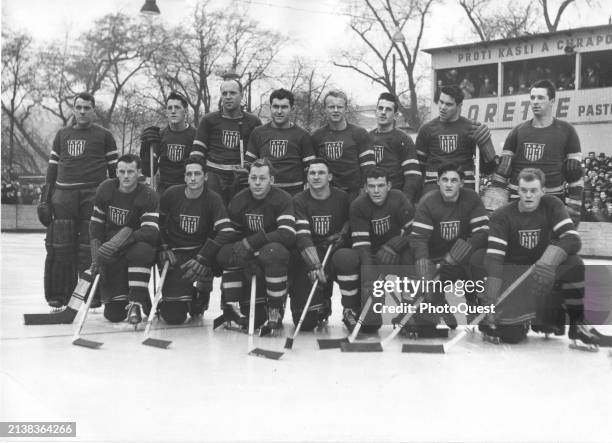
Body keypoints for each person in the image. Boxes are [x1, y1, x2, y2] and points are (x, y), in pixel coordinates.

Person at [473, 168, 598, 348]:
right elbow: (494, 257)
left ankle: (577, 324)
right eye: (524, 190)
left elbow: (572, 239)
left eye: (533, 191)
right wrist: (491, 292)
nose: (528, 195)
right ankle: (497, 320)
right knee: (511, 336)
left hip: (542, 273)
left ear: (542, 191)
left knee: (574, 263)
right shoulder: (502, 215)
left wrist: (549, 259)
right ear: (517, 191)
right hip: (513, 276)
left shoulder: (553, 205)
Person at [37, 92, 118, 309]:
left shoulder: (104, 136)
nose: (82, 111)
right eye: (79, 107)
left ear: (94, 110)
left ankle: (92, 293)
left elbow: (115, 172)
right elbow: (52, 169)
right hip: (63, 196)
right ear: (74, 109)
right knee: (60, 246)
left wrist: (117, 198)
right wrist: (45, 198)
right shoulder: (62, 135)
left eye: (87, 107)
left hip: (93, 194)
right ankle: (60, 295)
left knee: (89, 246)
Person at [406, 163, 489, 335]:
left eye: (453, 180)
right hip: (438, 263)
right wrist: (423, 263)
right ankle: (439, 305)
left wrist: (458, 253)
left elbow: (481, 232)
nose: (449, 184)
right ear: (438, 181)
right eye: (444, 180)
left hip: (464, 261)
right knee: (426, 323)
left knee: (480, 259)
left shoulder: (472, 198)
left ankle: (475, 303)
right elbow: (419, 238)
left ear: (461, 183)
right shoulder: (428, 202)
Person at [486, 79, 583, 224]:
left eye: (540, 97)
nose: (535, 102)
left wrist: (574, 210)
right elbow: (502, 172)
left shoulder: (567, 131)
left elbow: (574, 174)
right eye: (532, 97)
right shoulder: (517, 131)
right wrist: (491, 209)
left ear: (552, 101)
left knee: (573, 167)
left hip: (551, 199)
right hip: (519, 198)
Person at [216, 158, 295, 333]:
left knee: (274, 251)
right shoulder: (239, 199)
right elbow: (231, 235)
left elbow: (287, 234)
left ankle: (275, 308)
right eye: (253, 178)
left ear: (272, 180)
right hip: (247, 256)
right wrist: (246, 257)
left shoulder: (283, 199)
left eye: (262, 178)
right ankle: (231, 305)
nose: (257, 183)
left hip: (271, 256)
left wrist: (253, 242)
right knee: (226, 252)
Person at [332, 167, 414, 332]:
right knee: (370, 326)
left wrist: (395, 244)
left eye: (381, 185)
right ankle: (351, 309)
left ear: (389, 185)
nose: (376, 190)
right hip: (369, 257)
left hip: (393, 254)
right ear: (365, 188)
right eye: (372, 186)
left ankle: (408, 311)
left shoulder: (399, 198)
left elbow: (415, 232)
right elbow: (362, 246)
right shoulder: (358, 205)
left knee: (411, 255)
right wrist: (370, 281)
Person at [157, 157, 234, 324]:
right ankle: (189, 297)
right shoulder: (171, 194)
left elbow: (226, 232)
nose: (193, 178)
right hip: (176, 254)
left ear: (205, 177)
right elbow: (159, 225)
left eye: (197, 174)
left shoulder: (213, 198)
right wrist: (164, 246)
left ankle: (203, 290)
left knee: (224, 253)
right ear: (184, 177)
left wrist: (204, 257)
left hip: (199, 253)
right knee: (173, 317)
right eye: (189, 174)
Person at [89, 154, 159, 325]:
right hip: (111, 250)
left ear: (139, 173)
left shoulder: (148, 195)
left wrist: (125, 237)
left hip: (134, 246)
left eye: (130, 171)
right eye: (122, 171)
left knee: (143, 250)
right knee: (114, 316)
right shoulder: (106, 189)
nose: (126, 175)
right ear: (117, 173)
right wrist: (96, 256)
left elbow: (151, 231)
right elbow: (96, 226)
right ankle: (142, 297)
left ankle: (136, 302)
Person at [290, 158, 350, 330]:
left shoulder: (343, 198)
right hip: (310, 257)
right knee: (305, 324)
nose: (316, 176)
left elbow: (350, 223)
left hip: (335, 252)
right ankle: (319, 302)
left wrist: (343, 235)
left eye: (321, 173)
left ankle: (350, 308)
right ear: (307, 178)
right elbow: (302, 236)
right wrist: (314, 263)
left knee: (348, 260)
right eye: (312, 173)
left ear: (330, 176)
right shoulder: (298, 200)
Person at [415, 85, 497, 197]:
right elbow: (419, 168)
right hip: (433, 187)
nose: (443, 107)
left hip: (464, 187)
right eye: (441, 101)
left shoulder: (472, 128)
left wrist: (486, 146)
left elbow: (487, 170)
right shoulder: (426, 130)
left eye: (448, 104)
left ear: (459, 106)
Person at [192, 79, 262, 205]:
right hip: (214, 177)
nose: (228, 97)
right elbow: (197, 153)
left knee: (238, 216)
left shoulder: (253, 122)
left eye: (232, 93)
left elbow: (259, 155)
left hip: (241, 178)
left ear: (242, 95)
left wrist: (249, 169)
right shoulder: (208, 120)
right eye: (224, 94)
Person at [246, 88, 316, 195]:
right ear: (270, 108)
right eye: (275, 106)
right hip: (265, 191)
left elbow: (310, 167)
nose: (279, 111)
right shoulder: (258, 132)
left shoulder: (303, 135)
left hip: (294, 191)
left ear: (292, 109)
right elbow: (249, 164)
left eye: (284, 107)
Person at [311, 90, 375, 201]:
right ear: (325, 109)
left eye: (339, 107)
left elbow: (368, 168)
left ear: (346, 109)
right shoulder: (317, 135)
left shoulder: (359, 133)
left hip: (354, 193)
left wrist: (364, 192)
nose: (335, 110)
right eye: (331, 107)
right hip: (327, 193)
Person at [139, 92, 197, 194]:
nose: (173, 111)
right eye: (169, 108)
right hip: (164, 190)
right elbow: (148, 171)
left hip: (188, 189)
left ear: (186, 111)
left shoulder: (196, 135)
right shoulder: (159, 136)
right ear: (166, 112)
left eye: (177, 107)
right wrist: (145, 147)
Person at [369, 92, 421, 203]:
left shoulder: (403, 139)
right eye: (380, 108)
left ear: (396, 115)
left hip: (395, 195)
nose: (383, 112)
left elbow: (412, 175)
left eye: (388, 109)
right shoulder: (367, 138)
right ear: (375, 112)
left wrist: (404, 201)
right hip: (371, 195)